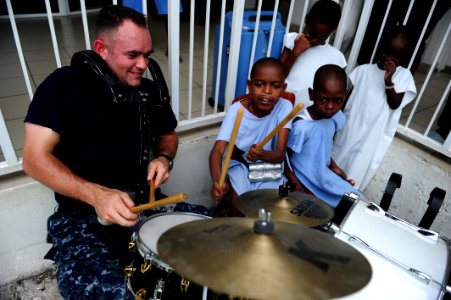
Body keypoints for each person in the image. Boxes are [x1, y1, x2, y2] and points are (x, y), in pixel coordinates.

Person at [22, 5, 178, 299]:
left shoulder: (148, 88)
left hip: (141, 208)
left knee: (209, 243)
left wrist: (163, 157)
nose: (143, 64)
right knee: (106, 292)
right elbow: (33, 158)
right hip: (81, 217)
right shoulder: (64, 84)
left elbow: (168, 135)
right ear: (101, 49)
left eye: (147, 55)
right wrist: (97, 195)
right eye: (132, 55)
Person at [332, 25, 417, 190]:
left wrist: (388, 81)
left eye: (396, 55)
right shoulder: (362, 70)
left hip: (370, 138)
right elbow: (343, 101)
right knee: (336, 162)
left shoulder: (403, 76)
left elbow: (395, 104)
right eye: (387, 51)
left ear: (405, 56)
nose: (389, 58)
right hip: (348, 130)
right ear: (380, 46)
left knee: (355, 173)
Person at [209, 57, 293, 213]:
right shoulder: (237, 110)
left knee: (276, 208)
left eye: (275, 86)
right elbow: (217, 151)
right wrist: (216, 181)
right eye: (259, 84)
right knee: (238, 206)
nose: (267, 91)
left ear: (283, 89)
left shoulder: (285, 107)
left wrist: (263, 155)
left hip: (270, 166)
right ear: (249, 86)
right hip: (242, 166)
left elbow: (280, 155)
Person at [284, 64, 362, 208]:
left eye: (338, 100)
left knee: (357, 200)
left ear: (344, 97)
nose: (330, 106)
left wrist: (334, 166)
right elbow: (285, 158)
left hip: (322, 175)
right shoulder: (301, 127)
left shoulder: (335, 117)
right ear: (311, 94)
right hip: (301, 180)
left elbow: (321, 146)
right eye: (324, 100)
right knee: (317, 211)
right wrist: (297, 186)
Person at [280, 0, 346, 109]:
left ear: (332, 31)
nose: (314, 40)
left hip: (309, 116)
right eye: (311, 33)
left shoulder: (336, 57)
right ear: (306, 20)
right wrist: (295, 52)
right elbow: (279, 75)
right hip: (282, 106)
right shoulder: (292, 40)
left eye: (322, 37)